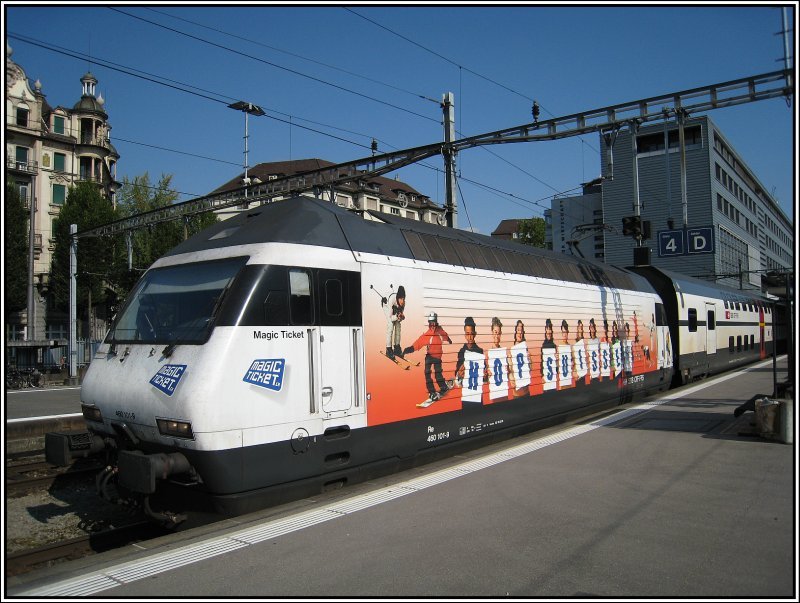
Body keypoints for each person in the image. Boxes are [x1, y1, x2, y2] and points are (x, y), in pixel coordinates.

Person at [404, 312, 452, 402]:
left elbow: (445, 335)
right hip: (429, 355)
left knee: (438, 373)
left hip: (437, 356)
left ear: (436, 322)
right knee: (427, 373)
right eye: (431, 323)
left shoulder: (440, 331)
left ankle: (443, 386)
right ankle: (432, 392)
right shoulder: (427, 334)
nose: (432, 325)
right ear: (429, 324)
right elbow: (419, 342)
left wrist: (449, 340)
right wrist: (410, 349)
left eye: (434, 323)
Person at [510, 320, 532, 397]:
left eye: (521, 331)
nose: (520, 333)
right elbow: (509, 371)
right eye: (518, 330)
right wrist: (511, 378)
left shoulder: (526, 350)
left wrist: (529, 360)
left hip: (526, 392)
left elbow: (530, 370)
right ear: (515, 332)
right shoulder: (511, 351)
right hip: (516, 394)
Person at [383, 285, 406, 359]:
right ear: (397, 298)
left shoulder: (403, 303)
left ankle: (397, 347)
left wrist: (400, 317)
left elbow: (399, 319)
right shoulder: (392, 301)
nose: (402, 301)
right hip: (386, 305)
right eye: (401, 299)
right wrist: (396, 317)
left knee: (398, 325)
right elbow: (390, 317)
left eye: (403, 299)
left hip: (394, 308)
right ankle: (388, 349)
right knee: (391, 325)